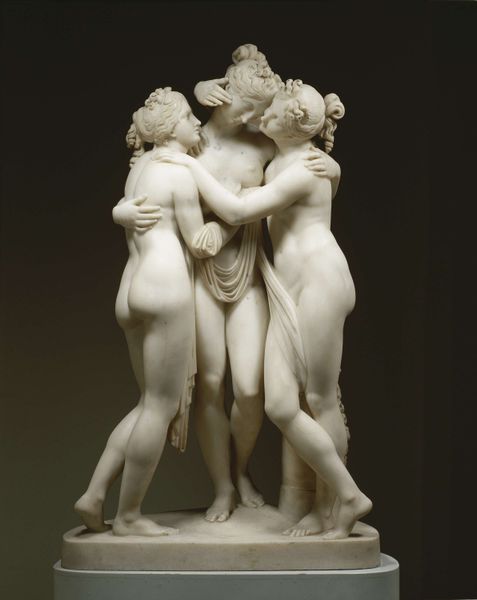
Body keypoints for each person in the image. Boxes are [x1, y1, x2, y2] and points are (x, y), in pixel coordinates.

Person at [156, 79, 372, 539]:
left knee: (318, 398)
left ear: (291, 127)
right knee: (281, 404)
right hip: (290, 289)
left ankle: (332, 507)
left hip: (319, 283)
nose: (260, 116)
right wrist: (334, 166)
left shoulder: (303, 168)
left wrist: (187, 165)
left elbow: (237, 212)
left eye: (270, 112)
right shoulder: (290, 159)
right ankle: (342, 496)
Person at [115, 44, 281, 523]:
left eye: (257, 112)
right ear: (221, 98)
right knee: (209, 382)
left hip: (245, 266)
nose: (251, 119)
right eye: (246, 109)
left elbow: (299, 161)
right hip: (196, 273)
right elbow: (145, 177)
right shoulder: (190, 141)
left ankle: (242, 470)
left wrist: (328, 166)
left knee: (249, 388)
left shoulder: (263, 146)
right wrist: (121, 211)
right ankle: (223, 486)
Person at [75, 88, 225, 536]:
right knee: (160, 407)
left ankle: (93, 496)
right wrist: (226, 223)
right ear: (170, 127)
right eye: (188, 116)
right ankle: (129, 516)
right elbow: (199, 244)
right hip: (164, 288)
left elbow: (130, 212)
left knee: (146, 404)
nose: (196, 123)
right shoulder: (178, 174)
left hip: (131, 288)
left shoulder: (139, 166)